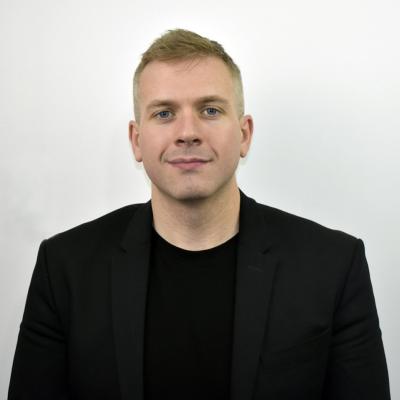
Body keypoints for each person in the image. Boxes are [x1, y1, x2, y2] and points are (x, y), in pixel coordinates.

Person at [8, 29, 390, 400]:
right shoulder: (64, 269)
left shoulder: (334, 266)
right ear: (137, 141)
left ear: (244, 134)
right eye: (164, 113)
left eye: (210, 110)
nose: (187, 132)